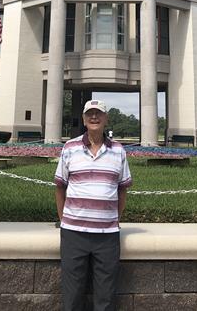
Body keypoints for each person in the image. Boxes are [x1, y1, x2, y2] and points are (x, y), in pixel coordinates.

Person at [54, 99, 132, 311]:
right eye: (90, 114)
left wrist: (113, 218)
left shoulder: (118, 151)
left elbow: (122, 189)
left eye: (99, 113)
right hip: (73, 234)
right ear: (84, 119)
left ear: (106, 118)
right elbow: (60, 187)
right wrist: (64, 220)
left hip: (107, 235)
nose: (94, 117)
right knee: (72, 297)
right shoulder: (70, 148)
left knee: (106, 299)